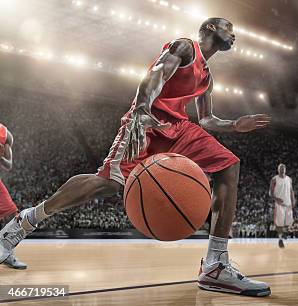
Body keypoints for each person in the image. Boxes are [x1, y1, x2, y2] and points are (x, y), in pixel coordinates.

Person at [0, 17, 272, 297]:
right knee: (107, 183)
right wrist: (142, 111)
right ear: (212, 28)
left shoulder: (207, 77)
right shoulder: (186, 47)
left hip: (179, 128)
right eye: (230, 28)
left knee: (229, 165)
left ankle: (215, 264)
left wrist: (235, 124)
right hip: (148, 121)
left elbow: (207, 120)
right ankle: (25, 221)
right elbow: (155, 75)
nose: (234, 34)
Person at [0, 123, 26, 269]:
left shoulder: (5, 134)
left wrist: (0, 157)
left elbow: (8, 165)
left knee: (12, 215)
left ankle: (7, 255)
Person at [269, 163, 295, 248]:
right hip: (279, 204)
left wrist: (293, 200)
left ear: (285, 169)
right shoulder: (274, 179)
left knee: (289, 222)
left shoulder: (289, 179)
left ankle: (285, 233)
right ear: (278, 169)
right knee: (279, 223)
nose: (282, 170)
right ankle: (280, 239)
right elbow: (270, 193)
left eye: (283, 168)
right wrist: (277, 199)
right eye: (281, 168)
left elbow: (291, 191)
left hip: (288, 203)